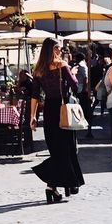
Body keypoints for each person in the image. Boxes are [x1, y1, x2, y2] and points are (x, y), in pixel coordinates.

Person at [28, 37, 85, 202]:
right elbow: (75, 86)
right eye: (58, 48)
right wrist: (72, 73)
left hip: (49, 110)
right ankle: (53, 184)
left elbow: (35, 96)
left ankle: (53, 187)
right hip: (63, 110)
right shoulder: (62, 65)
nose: (60, 51)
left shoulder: (38, 70)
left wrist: (32, 116)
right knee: (67, 149)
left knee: (56, 150)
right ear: (52, 50)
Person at [71, 50, 93, 130]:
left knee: (83, 104)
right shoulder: (80, 65)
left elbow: (85, 78)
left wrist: (84, 88)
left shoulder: (81, 65)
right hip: (80, 87)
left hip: (81, 87)